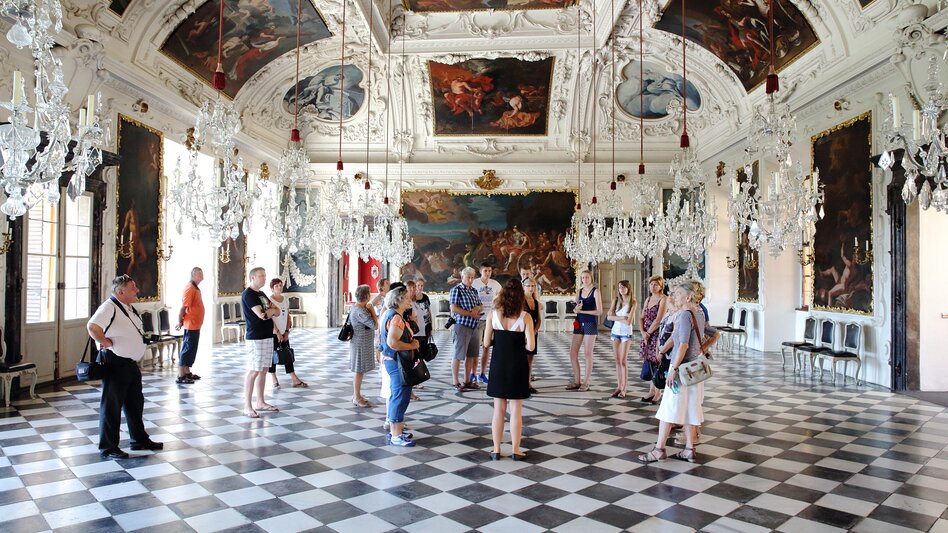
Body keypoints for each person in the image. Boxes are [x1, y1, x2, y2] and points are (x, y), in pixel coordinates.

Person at [638, 280, 715, 465]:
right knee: (691, 408)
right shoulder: (699, 312)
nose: (675, 296)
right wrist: (665, 349)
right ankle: (689, 449)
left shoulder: (687, 314)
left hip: (681, 370)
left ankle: (659, 449)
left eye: (679, 293)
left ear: (688, 296)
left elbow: (683, 344)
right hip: (695, 370)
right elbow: (687, 335)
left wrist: (672, 369)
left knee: (668, 409)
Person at [87, 275, 163, 459]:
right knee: (112, 405)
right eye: (133, 287)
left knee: (135, 403)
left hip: (129, 363)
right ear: (121, 292)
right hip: (115, 362)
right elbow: (92, 327)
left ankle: (139, 439)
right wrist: (106, 342)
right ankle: (108, 447)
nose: (137, 289)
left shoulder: (127, 307)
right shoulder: (108, 307)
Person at [485, 278, 536, 461]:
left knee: (498, 409)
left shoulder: (493, 314)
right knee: (516, 409)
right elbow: (531, 347)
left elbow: (485, 342)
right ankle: (516, 450)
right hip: (517, 365)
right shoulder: (526, 317)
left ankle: (496, 449)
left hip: (498, 364)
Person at [379, 286, 420, 447]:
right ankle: (396, 435)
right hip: (396, 361)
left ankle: (396, 430)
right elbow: (392, 343)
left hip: (393, 361)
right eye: (406, 298)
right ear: (398, 301)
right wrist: (413, 345)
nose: (409, 299)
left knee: (401, 394)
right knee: (399, 395)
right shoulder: (396, 318)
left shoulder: (391, 315)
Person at [241, 267, 281, 418]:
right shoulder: (249, 294)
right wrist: (269, 312)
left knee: (264, 369)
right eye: (261, 276)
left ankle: (260, 402)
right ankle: (247, 406)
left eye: (265, 275)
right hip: (255, 337)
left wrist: (270, 312)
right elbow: (263, 315)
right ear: (252, 278)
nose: (264, 278)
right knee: (254, 371)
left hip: (267, 335)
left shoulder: (262, 294)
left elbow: (277, 310)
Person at [267, 279, 307, 389]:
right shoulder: (270, 301)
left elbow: (287, 314)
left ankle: (294, 378)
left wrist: (287, 331)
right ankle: (274, 378)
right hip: (274, 333)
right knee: (273, 355)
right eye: (276, 286)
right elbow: (271, 318)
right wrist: (278, 332)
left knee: (287, 354)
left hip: (284, 331)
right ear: (272, 288)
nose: (279, 287)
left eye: (280, 285)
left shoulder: (284, 299)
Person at [567, 270, 601, 392]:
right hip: (579, 322)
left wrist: (583, 312)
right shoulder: (580, 291)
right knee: (573, 353)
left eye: (586, 277)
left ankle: (586, 382)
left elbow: (599, 311)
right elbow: (575, 308)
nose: (584, 280)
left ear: (591, 278)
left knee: (587, 354)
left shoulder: (595, 291)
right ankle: (577, 381)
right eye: (582, 278)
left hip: (590, 323)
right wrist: (576, 310)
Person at [449, 267, 483, 391]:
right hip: (462, 325)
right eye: (468, 277)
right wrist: (470, 313)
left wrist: (477, 309)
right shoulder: (456, 290)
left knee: (471, 355)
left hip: (474, 326)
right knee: (458, 354)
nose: (470, 279)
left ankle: (467, 380)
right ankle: (455, 381)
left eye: (472, 277)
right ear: (462, 277)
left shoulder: (474, 290)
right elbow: (454, 308)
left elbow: (481, 305)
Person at [639, 275, 668, 403]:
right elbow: (641, 317)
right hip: (646, 334)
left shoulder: (664, 299)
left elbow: (659, 319)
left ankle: (658, 392)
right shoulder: (648, 299)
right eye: (651, 284)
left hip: (656, 334)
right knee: (650, 362)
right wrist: (642, 332)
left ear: (661, 286)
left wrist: (648, 333)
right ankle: (651, 391)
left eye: (656, 284)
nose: (653, 286)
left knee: (657, 362)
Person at [473, 262, 502, 385]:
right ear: (480, 271)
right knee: (474, 349)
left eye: (490, 271)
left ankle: (482, 373)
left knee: (486, 347)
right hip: (477, 319)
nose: (488, 273)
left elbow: (501, 298)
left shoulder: (495, 284)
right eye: (485, 271)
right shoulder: (474, 283)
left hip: (491, 320)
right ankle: (473, 373)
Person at [348, 284, 377, 408]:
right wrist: (372, 311)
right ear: (366, 296)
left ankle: (357, 394)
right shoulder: (360, 311)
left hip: (363, 342)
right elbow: (374, 325)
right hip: (360, 343)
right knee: (359, 370)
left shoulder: (359, 307)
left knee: (360, 370)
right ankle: (356, 396)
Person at [607, 280, 637, 399]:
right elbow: (609, 316)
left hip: (625, 333)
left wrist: (616, 317)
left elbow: (629, 321)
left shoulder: (632, 302)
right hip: (615, 332)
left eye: (624, 287)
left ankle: (624, 388)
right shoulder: (615, 301)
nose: (621, 289)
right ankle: (619, 386)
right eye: (620, 287)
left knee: (623, 361)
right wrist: (621, 318)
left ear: (628, 288)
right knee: (617, 361)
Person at [175, 267, 204, 385]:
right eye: (199, 274)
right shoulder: (189, 288)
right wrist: (179, 321)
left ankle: (187, 371)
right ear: (193, 275)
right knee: (187, 349)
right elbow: (183, 307)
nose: (202, 276)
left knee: (192, 349)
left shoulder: (196, 288)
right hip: (190, 324)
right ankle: (181, 375)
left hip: (196, 324)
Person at [522, 276, 541, 394]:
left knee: (530, 359)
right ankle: (520, 382)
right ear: (524, 287)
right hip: (522, 334)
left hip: (533, 333)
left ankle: (528, 383)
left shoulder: (536, 302)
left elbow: (538, 319)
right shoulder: (521, 301)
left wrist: (535, 330)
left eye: (533, 286)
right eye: (528, 286)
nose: (531, 288)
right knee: (521, 359)